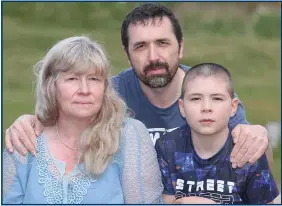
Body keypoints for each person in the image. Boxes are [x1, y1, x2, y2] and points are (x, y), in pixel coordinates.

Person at [5, 3, 270, 171]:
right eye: (141, 46)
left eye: (163, 43)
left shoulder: (210, 93)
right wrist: (28, 121)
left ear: (181, 47)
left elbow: (258, 171)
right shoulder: (110, 93)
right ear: (127, 52)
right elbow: (58, 125)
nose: (153, 56)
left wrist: (259, 136)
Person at [3, 36, 163, 204]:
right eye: (72, 79)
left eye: (94, 79)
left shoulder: (129, 135)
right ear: (51, 86)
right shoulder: (25, 139)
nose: (85, 90)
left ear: (105, 87)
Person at [155, 63, 279, 204]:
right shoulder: (167, 147)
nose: (206, 108)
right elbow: (165, 200)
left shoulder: (247, 149)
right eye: (195, 99)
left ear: (233, 107)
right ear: (182, 107)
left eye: (217, 99)